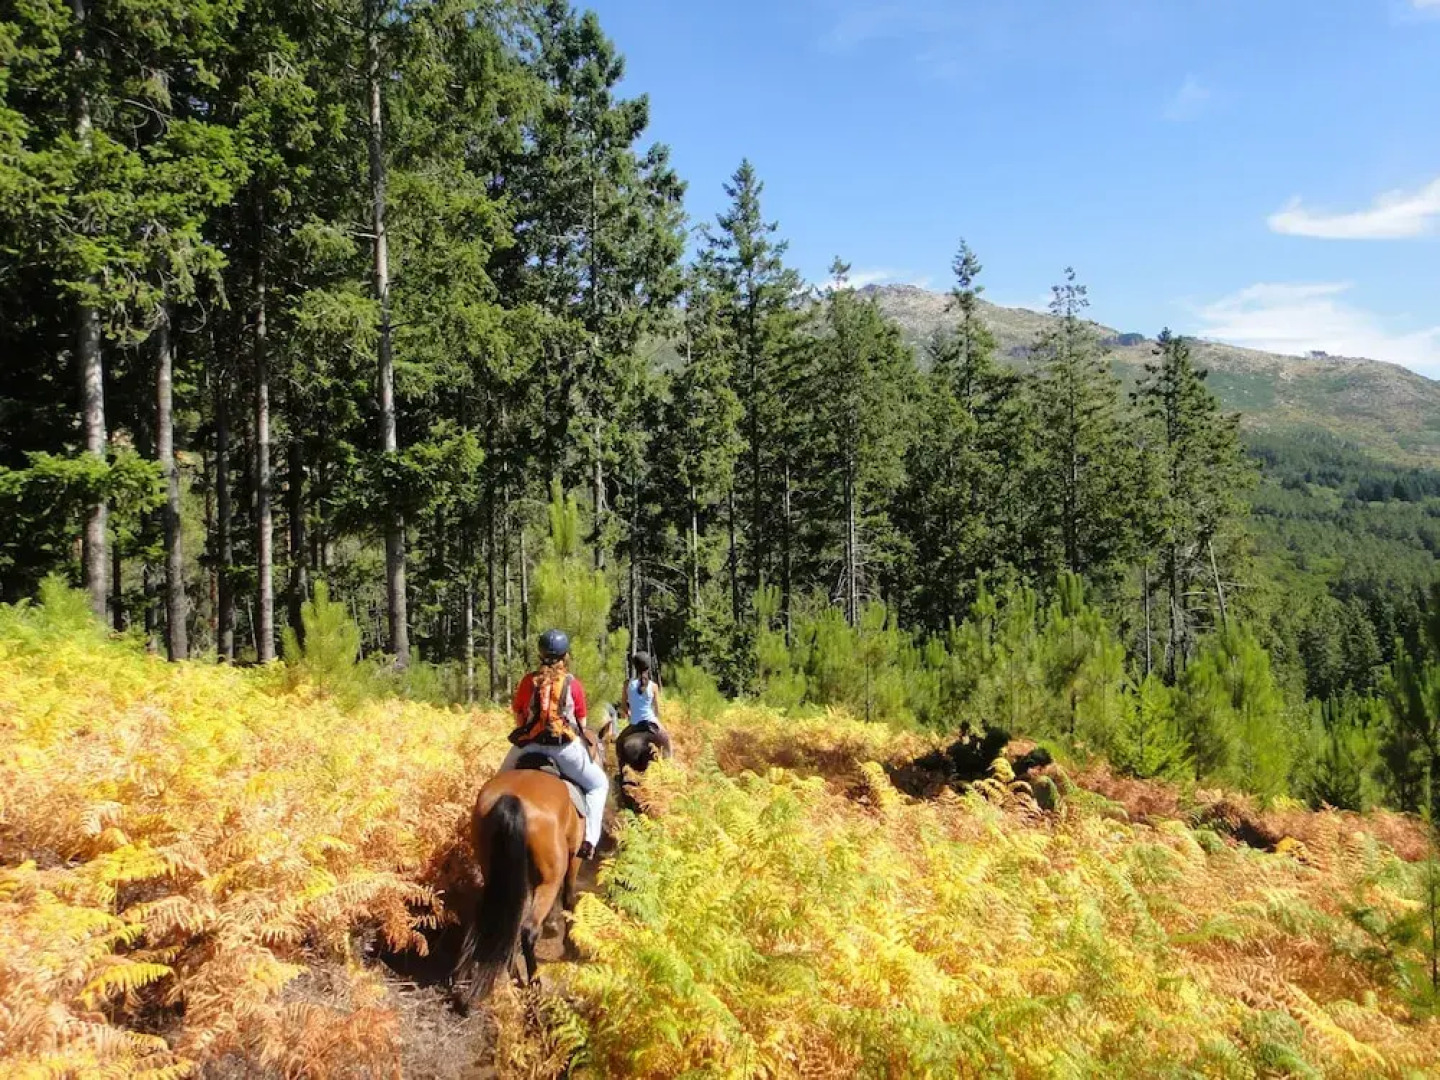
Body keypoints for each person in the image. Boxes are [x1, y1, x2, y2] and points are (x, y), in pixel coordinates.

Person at [499, 629, 608, 860]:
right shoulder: (572, 684)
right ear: (565, 656)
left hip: (528, 745)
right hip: (564, 749)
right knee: (599, 784)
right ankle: (589, 840)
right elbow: (582, 722)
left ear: (540, 655)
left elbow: (519, 713)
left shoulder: (528, 681)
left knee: (496, 784)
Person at [619, 652, 672, 759]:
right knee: (667, 739)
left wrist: (629, 714)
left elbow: (624, 707)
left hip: (634, 723)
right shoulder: (654, 686)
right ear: (648, 667)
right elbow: (657, 711)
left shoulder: (627, 684)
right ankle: (669, 763)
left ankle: (621, 771)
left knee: (619, 743)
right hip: (651, 722)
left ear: (635, 667)